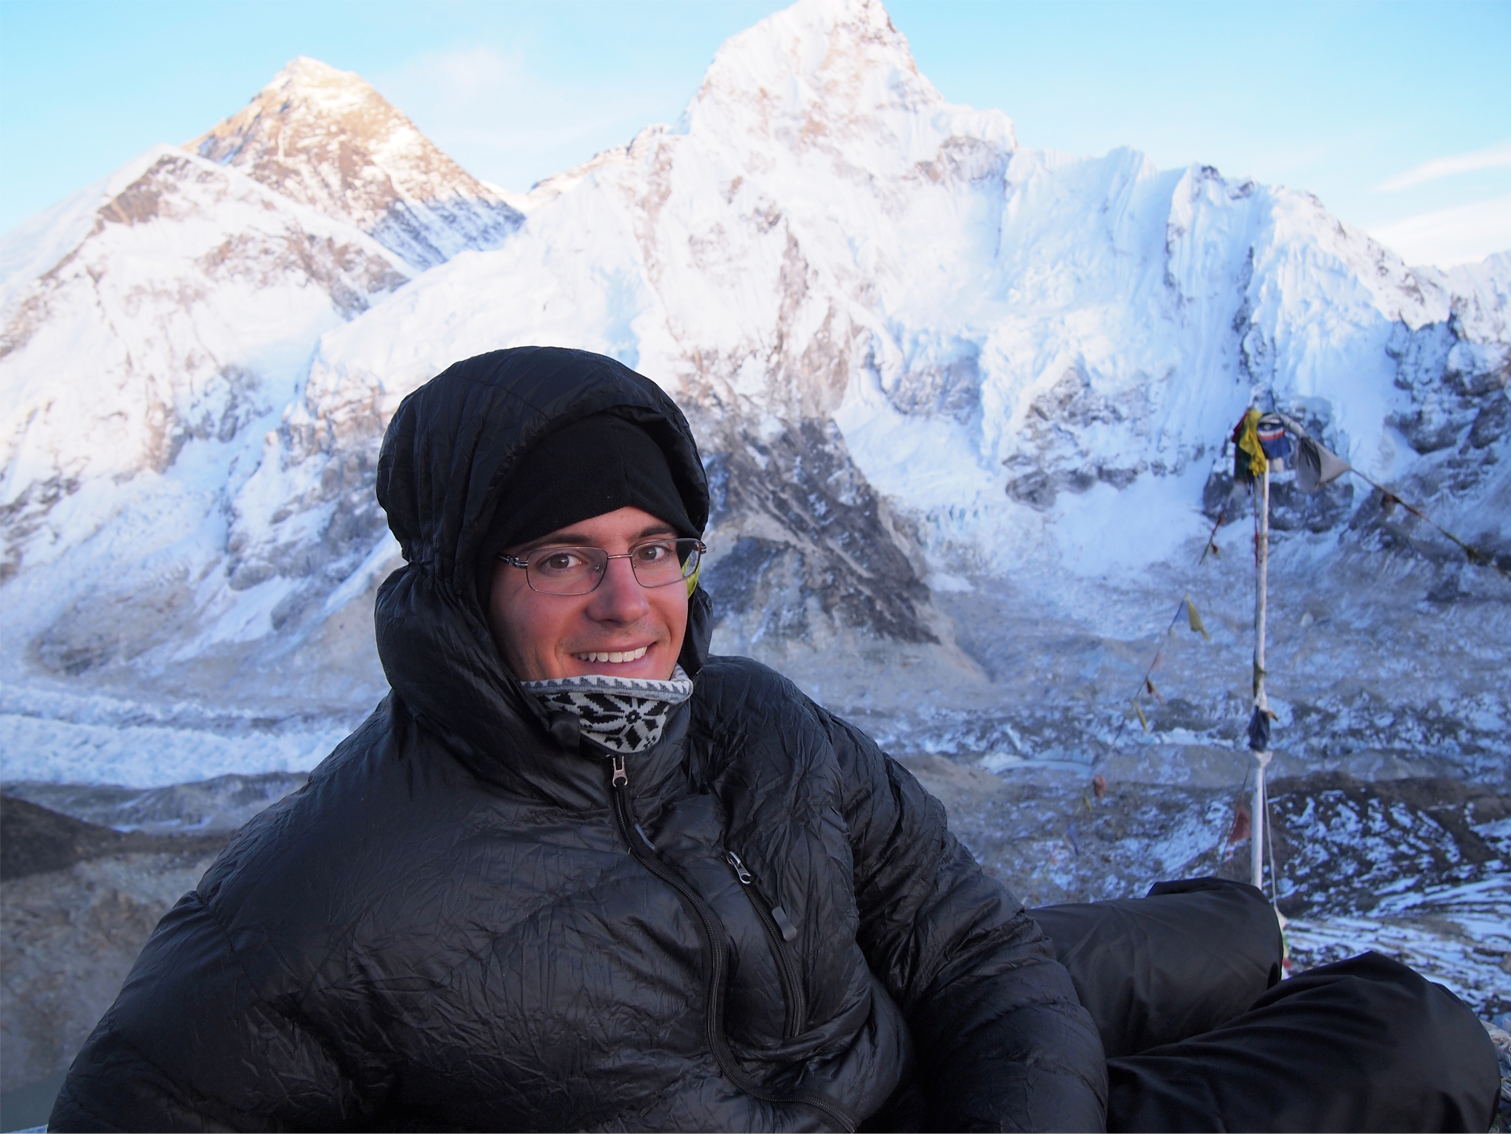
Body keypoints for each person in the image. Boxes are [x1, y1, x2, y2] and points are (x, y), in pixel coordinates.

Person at [51, 347, 1499, 1133]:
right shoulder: (315, 911)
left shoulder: (754, 724)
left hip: (886, 1045)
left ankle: (1233, 936)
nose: (629, 604)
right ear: (458, 584)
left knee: (1235, 928)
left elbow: (979, 952)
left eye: (657, 547)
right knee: (1413, 1036)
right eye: (560, 558)